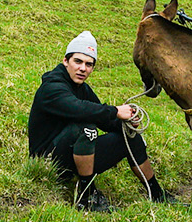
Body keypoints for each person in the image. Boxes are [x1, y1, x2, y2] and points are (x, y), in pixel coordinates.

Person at [26, 32, 174, 212]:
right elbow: (79, 109)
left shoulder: (82, 88)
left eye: (89, 64)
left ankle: (157, 194)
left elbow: (104, 120)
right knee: (85, 127)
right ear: (66, 61)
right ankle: (87, 196)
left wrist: (126, 122)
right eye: (78, 61)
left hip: (71, 155)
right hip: (48, 161)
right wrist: (116, 111)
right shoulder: (52, 87)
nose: (83, 68)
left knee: (128, 135)